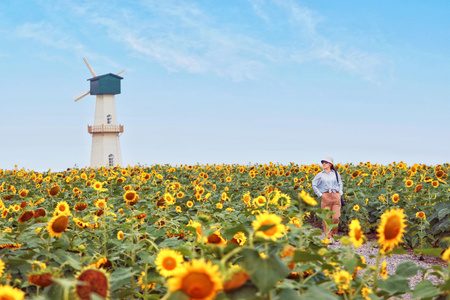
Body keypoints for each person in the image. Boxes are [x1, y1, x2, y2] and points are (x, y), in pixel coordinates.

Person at [312, 156, 343, 243]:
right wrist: (320, 194)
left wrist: (340, 193)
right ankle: (329, 237)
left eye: (325, 162)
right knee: (326, 217)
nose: (323, 164)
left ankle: (334, 232)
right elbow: (313, 184)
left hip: (336, 196)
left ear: (330, 164)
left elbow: (340, 183)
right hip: (326, 196)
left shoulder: (336, 173)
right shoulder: (320, 175)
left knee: (336, 217)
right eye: (322, 162)